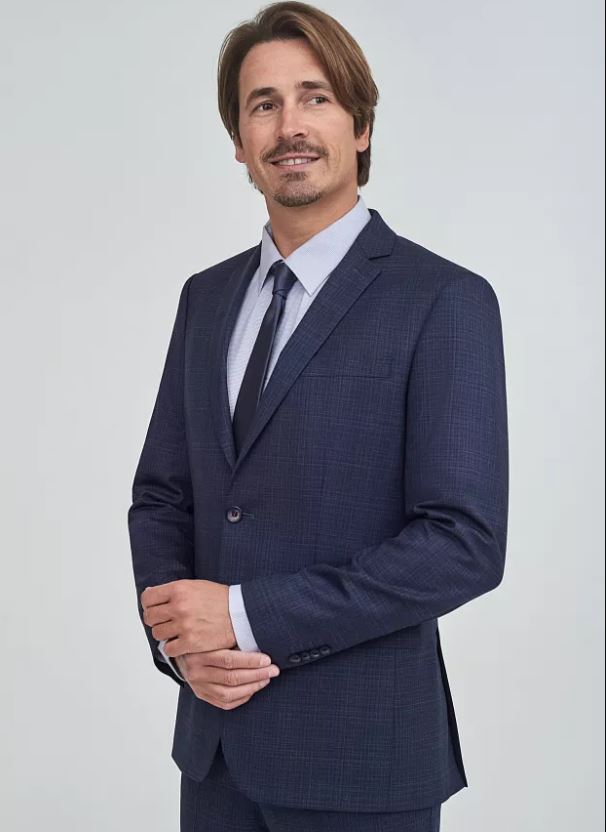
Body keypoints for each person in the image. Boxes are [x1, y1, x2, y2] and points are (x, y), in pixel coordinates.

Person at [127, 2, 509, 830]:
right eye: (263, 104)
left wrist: (243, 616)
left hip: (363, 762)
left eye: (316, 97)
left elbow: (463, 544)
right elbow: (163, 496)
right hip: (215, 752)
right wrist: (180, 641)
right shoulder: (206, 299)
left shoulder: (443, 300)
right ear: (239, 140)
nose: (289, 126)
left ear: (361, 125)